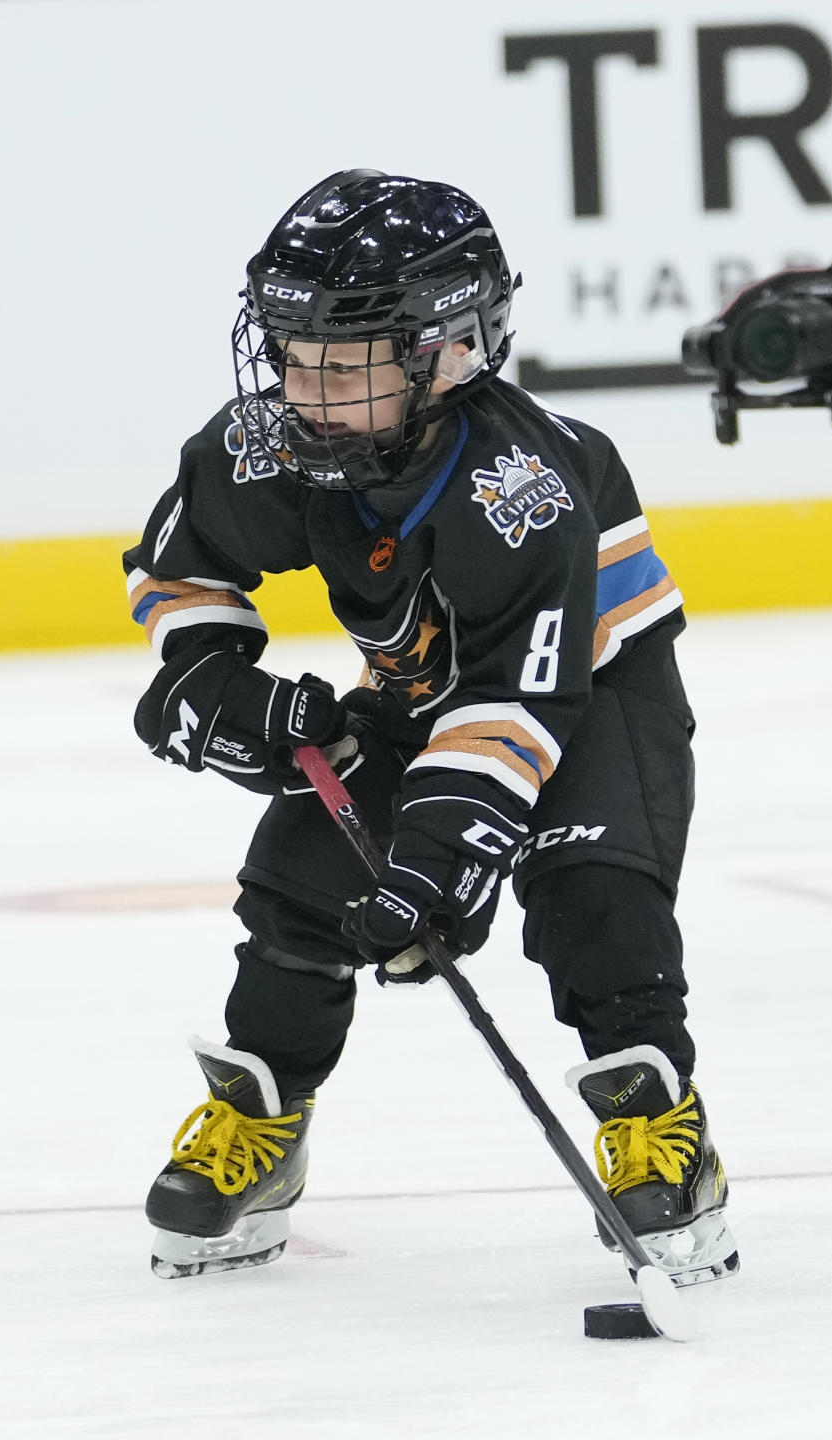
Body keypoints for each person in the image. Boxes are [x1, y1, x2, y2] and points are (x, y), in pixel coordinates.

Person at [124, 169, 738, 1285]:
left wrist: (442, 862)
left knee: (595, 901)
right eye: (292, 354)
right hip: (422, 694)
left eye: (344, 364)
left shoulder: (522, 487)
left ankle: (662, 1131)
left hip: (595, 697)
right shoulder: (274, 444)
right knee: (298, 890)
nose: (307, 391)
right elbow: (177, 571)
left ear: (446, 353)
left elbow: (518, 702)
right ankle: (263, 1120)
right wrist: (210, 682)